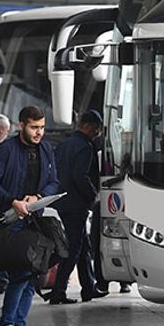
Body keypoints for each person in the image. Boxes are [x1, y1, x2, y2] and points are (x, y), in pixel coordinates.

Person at [0, 105, 58, 326]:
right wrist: (12, 201)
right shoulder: (6, 149)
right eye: (34, 127)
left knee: (33, 273)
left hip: (35, 218)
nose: (39, 132)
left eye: (42, 127)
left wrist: (38, 196)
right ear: (21, 125)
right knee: (20, 273)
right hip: (11, 219)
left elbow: (53, 181)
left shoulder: (46, 149)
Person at [49, 110, 108, 304]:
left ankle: (88, 288)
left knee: (84, 247)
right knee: (73, 249)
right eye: (97, 129)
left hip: (62, 202)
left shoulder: (64, 145)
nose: (97, 133)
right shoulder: (84, 147)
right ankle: (58, 292)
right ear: (90, 126)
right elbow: (80, 176)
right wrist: (93, 195)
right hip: (76, 204)